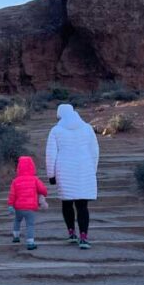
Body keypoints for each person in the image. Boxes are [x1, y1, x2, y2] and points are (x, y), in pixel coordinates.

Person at [45, 103, 99, 249]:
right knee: (82, 205)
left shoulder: (56, 130)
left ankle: (71, 233)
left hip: (64, 169)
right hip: (84, 168)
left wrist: (51, 174)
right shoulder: (87, 128)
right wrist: (92, 170)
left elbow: (51, 154)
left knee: (67, 202)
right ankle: (84, 237)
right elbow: (94, 151)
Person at [7, 155, 49, 250]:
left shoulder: (15, 181)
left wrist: (10, 205)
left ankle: (16, 237)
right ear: (32, 166)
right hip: (30, 207)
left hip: (19, 207)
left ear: (19, 168)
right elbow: (42, 189)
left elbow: (12, 194)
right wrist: (44, 194)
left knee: (17, 221)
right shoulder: (35, 179)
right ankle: (30, 242)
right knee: (30, 224)